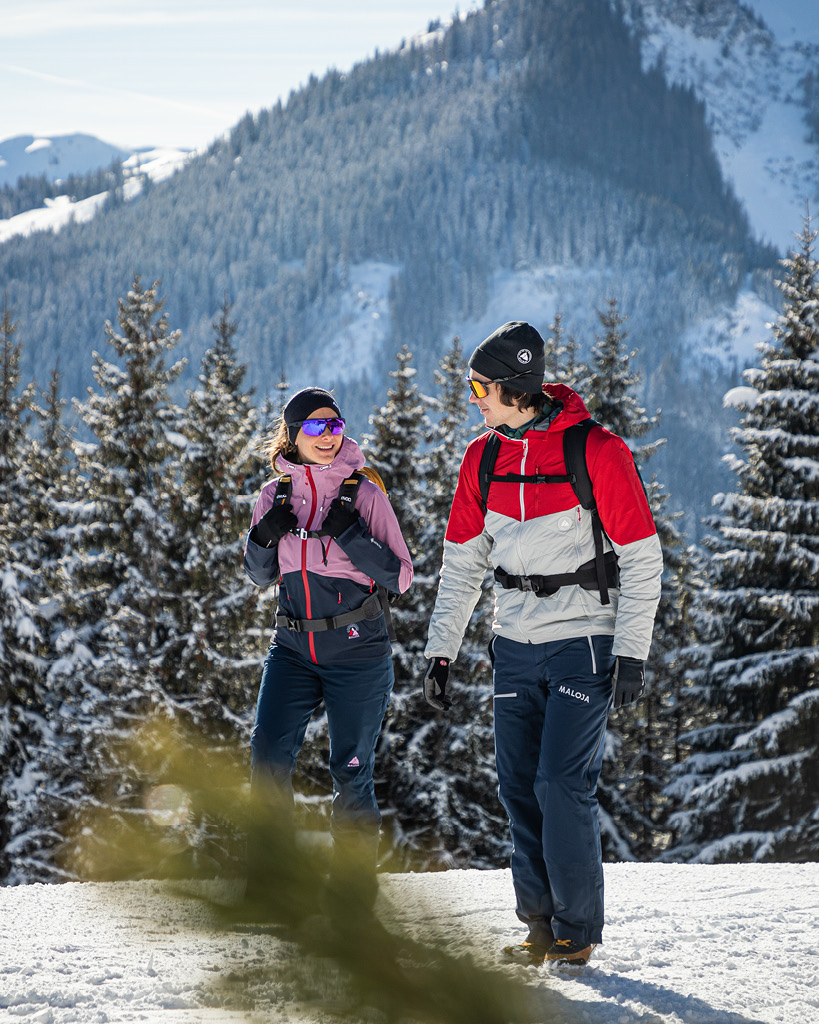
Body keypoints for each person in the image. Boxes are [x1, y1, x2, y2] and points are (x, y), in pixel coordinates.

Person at [422, 322, 662, 966]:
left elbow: (641, 558)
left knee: (561, 781)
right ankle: (538, 925)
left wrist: (632, 651)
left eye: (481, 385)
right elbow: (463, 562)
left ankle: (576, 930)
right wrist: (440, 650)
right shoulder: (485, 457)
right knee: (517, 784)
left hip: (583, 641)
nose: (473, 396)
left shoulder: (597, 451)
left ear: (515, 386)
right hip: (514, 642)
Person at [244, 386, 413, 911]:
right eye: (314, 427)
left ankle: (352, 896)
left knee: (351, 770)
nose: (326, 436)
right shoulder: (272, 497)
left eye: (334, 426)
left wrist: (353, 537)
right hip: (292, 647)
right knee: (268, 759)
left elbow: (401, 576)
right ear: (292, 434)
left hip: (357, 652)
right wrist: (263, 538)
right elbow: (257, 576)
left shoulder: (364, 495)